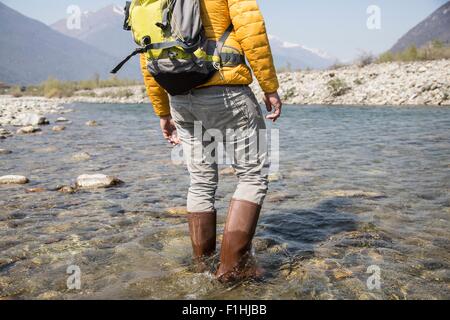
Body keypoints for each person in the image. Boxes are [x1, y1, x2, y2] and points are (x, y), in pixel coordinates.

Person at [140, 0, 282, 282]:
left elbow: (148, 55)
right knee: (252, 177)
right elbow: (252, 32)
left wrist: (162, 111)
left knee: (201, 181)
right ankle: (231, 272)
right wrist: (269, 87)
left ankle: (202, 269)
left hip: (179, 97)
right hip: (225, 90)